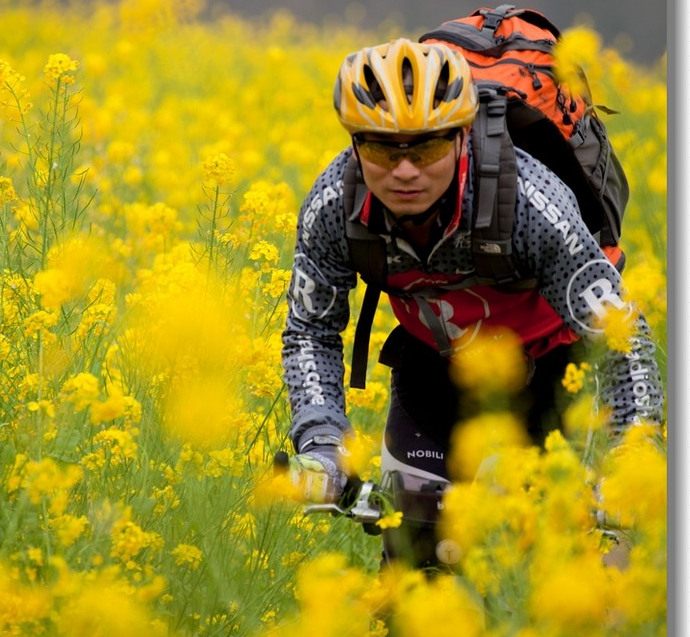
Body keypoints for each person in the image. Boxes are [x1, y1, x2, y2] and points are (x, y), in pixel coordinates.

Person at [280, 37, 664, 571]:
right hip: (435, 371)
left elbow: (620, 333)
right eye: (381, 149)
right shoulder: (332, 207)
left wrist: (633, 452)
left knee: (570, 574)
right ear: (354, 144)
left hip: (553, 371)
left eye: (429, 148)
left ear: (463, 137)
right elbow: (310, 332)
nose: (406, 171)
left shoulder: (530, 202)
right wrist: (322, 443)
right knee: (412, 571)